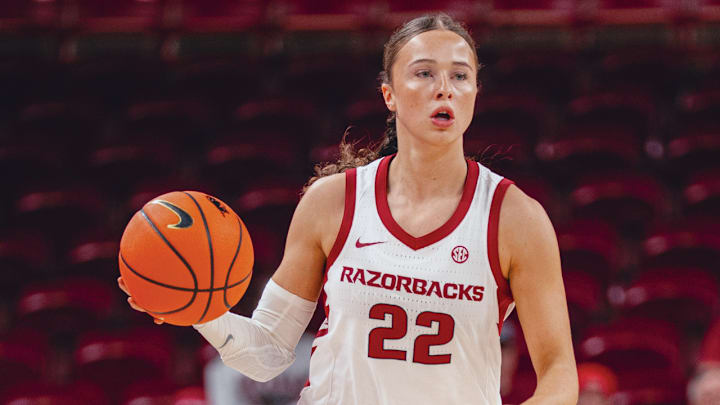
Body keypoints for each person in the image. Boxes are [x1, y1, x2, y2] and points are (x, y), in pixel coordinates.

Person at [118, 12, 578, 404]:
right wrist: (199, 310)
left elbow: (559, 372)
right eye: (423, 72)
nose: (445, 88)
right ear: (389, 95)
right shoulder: (333, 201)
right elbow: (270, 355)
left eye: (460, 75)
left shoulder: (514, 217)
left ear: (476, 93)